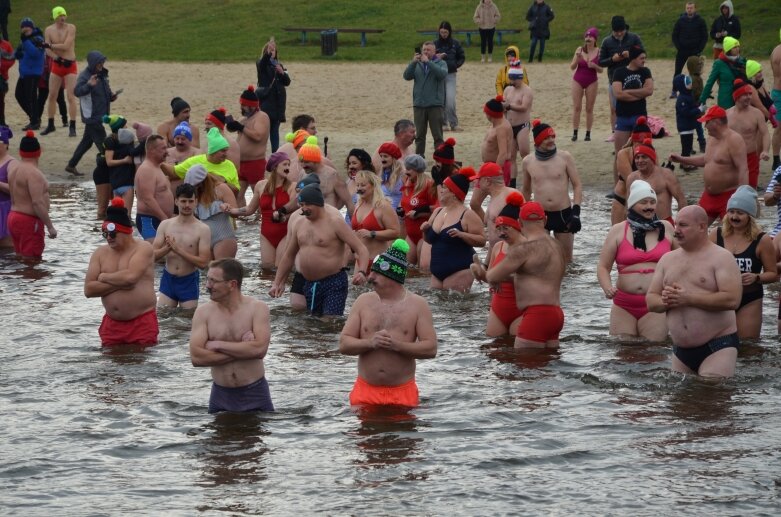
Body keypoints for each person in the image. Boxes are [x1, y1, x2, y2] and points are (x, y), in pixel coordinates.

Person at [339, 239, 437, 408]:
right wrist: (370, 343)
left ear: (393, 276)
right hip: (365, 391)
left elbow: (431, 348)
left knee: (403, 434)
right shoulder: (363, 302)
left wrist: (397, 346)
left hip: (402, 392)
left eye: (377, 273)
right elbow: (344, 344)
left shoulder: (418, 305)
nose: (370, 277)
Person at [647, 205, 742, 377]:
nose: (676, 230)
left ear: (702, 227)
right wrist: (667, 301)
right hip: (681, 351)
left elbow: (732, 300)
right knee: (682, 402)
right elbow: (651, 300)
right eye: (676, 225)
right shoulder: (667, 259)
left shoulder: (721, 257)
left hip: (718, 345)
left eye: (683, 225)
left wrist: (688, 299)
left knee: (710, 392)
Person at [270, 183, 370, 316]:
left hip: (334, 282)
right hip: (310, 283)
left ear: (318, 204)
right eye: (301, 204)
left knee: (329, 323)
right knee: (314, 325)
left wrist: (362, 272)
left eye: (307, 204)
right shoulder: (299, 224)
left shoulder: (335, 222)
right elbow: (288, 256)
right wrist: (277, 283)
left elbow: (361, 249)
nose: (304, 209)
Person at [189, 258, 273, 414]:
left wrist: (218, 345)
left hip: (255, 391)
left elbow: (260, 350)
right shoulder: (203, 312)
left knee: (257, 437)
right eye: (207, 279)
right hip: (221, 394)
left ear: (232, 284)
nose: (208, 286)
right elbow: (196, 358)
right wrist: (244, 350)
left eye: (214, 281)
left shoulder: (257, 308)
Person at [598, 180, 675, 341]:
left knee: (653, 352)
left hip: (655, 303)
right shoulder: (618, 230)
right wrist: (607, 287)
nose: (649, 206)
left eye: (652, 202)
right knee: (623, 352)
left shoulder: (666, 228)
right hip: (623, 304)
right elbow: (603, 266)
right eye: (644, 202)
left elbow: (683, 260)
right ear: (632, 204)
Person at [486, 201, 566, 348]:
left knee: (523, 365)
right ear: (545, 220)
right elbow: (537, 275)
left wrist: (482, 272)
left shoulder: (525, 249)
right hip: (556, 315)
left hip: (536, 315)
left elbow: (491, 276)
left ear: (519, 223)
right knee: (548, 367)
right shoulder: (557, 246)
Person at [84, 197, 158, 347]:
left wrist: (104, 277)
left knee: (141, 367)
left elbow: (131, 278)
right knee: (110, 368)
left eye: (112, 234)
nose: (108, 238)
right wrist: (121, 284)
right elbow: (89, 290)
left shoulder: (143, 248)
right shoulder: (100, 253)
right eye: (105, 234)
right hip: (111, 325)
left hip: (142, 322)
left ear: (126, 232)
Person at [709, 186, 777, 339]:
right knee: (717, 346)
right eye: (731, 212)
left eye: (740, 213)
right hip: (720, 299)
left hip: (750, 299)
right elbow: (701, 263)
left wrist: (756, 277)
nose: (734, 217)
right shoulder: (716, 235)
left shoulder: (762, 240)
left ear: (750, 216)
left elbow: (772, 274)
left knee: (748, 350)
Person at [670, 105, 748, 224]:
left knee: (732, 234)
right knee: (693, 228)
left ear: (716, 122)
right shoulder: (712, 139)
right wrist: (682, 159)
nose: (705, 126)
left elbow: (743, 169)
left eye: (707, 122)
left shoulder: (734, 140)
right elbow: (706, 160)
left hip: (728, 195)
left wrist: (742, 197)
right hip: (709, 195)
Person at [522, 119, 582, 263]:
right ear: (537, 141)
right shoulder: (528, 161)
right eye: (546, 138)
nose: (551, 140)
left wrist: (576, 212)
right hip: (539, 216)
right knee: (542, 259)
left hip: (563, 214)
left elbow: (577, 185)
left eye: (552, 137)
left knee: (566, 261)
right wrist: (523, 213)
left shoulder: (564, 157)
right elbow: (526, 189)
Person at [471, 191, 526, 337]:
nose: (501, 233)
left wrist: (498, 277)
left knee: (519, 354)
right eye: (498, 229)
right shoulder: (498, 247)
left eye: (506, 228)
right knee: (494, 350)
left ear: (518, 227)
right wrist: (478, 272)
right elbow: (489, 276)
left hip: (521, 309)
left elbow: (532, 280)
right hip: (497, 309)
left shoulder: (528, 248)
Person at [227, 151, 294, 269]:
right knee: (267, 268)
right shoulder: (261, 186)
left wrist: (285, 217)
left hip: (286, 232)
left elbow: (296, 211)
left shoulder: (292, 186)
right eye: (284, 164)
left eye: (289, 164)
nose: (287, 167)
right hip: (266, 234)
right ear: (274, 166)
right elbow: (250, 209)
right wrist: (232, 211)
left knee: (280, 267)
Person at [421, 169, 485, 292]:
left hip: (460, 269)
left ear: (454, 193)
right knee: (436, 306)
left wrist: (462, 234)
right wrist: (425, 231)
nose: (440, 190)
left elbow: (482, 240)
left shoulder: (468, 215)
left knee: (457, 309)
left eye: (444, 188)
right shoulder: (437, 211)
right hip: (437, 272)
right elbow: (429, 240)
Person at [153, 183, 211, 309]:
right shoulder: (165, 225)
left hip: (189, 280)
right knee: (164, 319)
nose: (187, 205)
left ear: (196, 202)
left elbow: (203, 263)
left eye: (190, 201)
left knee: (187, 321)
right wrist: (167, 249)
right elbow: (152, 256)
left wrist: (178, 250)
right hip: (168, 279)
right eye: (183, 201)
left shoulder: (203, 229)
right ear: (176, 201)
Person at [6, 130, 56, 259]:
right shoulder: (34, 173)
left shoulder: (13, 169)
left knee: (20, 257)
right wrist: (50, 226)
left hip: (13, 217)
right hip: (28, 221)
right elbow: (37, 202)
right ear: (39, 152)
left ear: (20, 152)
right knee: (32, 262)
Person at [65, 50, 114, 176]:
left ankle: (71, 165)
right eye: (99, 62)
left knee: (86, 142)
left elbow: (105, 90)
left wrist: (111, 96)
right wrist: (89, 85)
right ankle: (110, 168)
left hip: (100, 114)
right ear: (93, 63)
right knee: (103, 144)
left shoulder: (101, 73)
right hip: (92, 116)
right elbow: (77, 92)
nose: (101, 64)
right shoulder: (85, 76)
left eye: (102, 62)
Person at [599, 16, 643, 142]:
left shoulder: (634, 38)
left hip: (633, 79)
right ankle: (615, 132)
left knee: (634, 106)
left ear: (625, 28)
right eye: (616, 31)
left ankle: (634, 132)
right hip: (614, 79)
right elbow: (601, 62)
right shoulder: (606, 41)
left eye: (621, 31)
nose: (619, 33)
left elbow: (643, 54)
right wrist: (612, 59)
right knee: (614, 108)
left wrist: (630, 55)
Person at [625, 139, 687, 223]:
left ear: (652, 159)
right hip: (640, 224)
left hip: (664, 222)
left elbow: (681, 200)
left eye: (644, 157)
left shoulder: (666, 174)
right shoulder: (632, 177)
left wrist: (680, 222)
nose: (640, 161)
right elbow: (629, 206)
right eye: (637, 157)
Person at [162, 127, 240, 195]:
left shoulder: (230, 165)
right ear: (213, 151)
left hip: (224, 206)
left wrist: (223, 181)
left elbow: (236, 191)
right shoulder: (195, 161)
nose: (226, 154)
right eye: (223, 151)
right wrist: (159, 162)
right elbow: (173, 172)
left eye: (226, 150)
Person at [227, 85, 270, 206]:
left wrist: (241, 127)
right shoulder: (243, 119)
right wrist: (232, 126)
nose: (241, 108)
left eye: (244, 105)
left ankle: (260, 219)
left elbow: (258, 136)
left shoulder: (262, 117)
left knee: (259, 194)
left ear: (252, 106)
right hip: (241, 163)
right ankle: (245, 222)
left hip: (255, 163)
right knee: (239, 194)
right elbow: (240, 135)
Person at [403, 41, 447, 157]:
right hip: (419, 105)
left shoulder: (441, 63)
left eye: (428, 50)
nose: (426, 52)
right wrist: (413, 62)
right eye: (424, 50)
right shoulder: (417, 64)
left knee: (438, 136)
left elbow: (442, 75)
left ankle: (440, 158)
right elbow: (406, 76)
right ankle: (419, 158)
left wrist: (429, 63)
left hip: (435, 105)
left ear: (434, 52)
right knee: (419, 136)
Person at [183, 164, 237, 260]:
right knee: (207, 273)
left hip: (223, 237)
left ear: (204, 180)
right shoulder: (196, 194)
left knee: (222, 272)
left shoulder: (221, 188)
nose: (196, 188)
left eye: (197, 185)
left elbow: (236, 214)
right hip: (205, 239)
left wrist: (228, 208)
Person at [727, 79, 770, 189]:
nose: (749, 97)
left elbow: (765, 133)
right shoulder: (727, 114)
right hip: (731, 159)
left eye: (750, 94)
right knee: (731, 191)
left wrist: (765, 150)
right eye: (745, 94)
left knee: (750, 192)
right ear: (737, 96)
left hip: (750, 159)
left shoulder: (756, 114)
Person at [42, 6, 78, 137]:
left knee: (70, 96)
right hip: (57, 65)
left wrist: (50, 46)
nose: (62, 18)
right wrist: (56, 57)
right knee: (52, 95)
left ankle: (72, 126)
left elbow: (66, 46)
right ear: (54, 17)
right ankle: (51, 124)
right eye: (59, 16)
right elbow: (46, 50)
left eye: (63, 15)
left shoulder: (71, 28)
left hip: (70, 65)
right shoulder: (48, 30)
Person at [612, 45, 653, 157]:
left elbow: (649, 90)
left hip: (639, 116)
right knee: (620, 153)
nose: (644, 60)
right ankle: (618, 175)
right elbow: (618, 94)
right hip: (622, 116)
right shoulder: (619, 72)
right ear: (633, 58)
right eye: (641, 58)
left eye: (644, 58)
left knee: (641, 151)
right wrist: (640, 94)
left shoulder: (645, 71)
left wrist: (628, 92)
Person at [351, 170, 400, 263]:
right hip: (360, 261)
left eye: (363, 185)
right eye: (357, 185)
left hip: (379, 261)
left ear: (373, 186)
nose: (359, 188)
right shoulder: (358, 205)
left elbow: (396, 232)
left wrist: (372, 234)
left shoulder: (383, 206)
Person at [298, 135, 352, 213]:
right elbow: (297, 199)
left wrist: (335, 210)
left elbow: (348, 202)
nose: (303, 165)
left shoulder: (332, 175)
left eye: (306, 162)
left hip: (327, 220)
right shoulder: (302, 174)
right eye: (301, 162)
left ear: (315, 160)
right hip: (307, 221)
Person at [134, 134, 173, 241]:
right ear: (151, 150)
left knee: (165, 254)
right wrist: (164, 219)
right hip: (149, 220)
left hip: (160, 219)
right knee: (155, 254)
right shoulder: (146, 170)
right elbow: (147, 199)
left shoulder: (157, 167)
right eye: (163, 148)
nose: (167, 151)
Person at [399, 154, 436, 267]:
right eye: (406, 168)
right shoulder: (408, 183)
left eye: (409, 169)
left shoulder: (428, 185)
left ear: (417, 170)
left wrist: (419, 214)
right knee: (407, 272)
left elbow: (437, 210)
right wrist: (401, 210)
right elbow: (406, 204)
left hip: (423, 235)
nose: (406, 171)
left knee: (422, 272)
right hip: (411, 235)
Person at [470, 161, 517, 250]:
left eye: (479, 180)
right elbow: (493, 237)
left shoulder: (510, 197)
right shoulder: (495, 198)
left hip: (508, 254)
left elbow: (521, 231)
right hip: (497, 253)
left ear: (487, 181)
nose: (477, 183)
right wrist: (487, 263)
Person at [256, 37, 290, 152]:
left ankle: (275, 155)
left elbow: (287, 82)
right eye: (270, 50)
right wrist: (268, 53)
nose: (272, 52)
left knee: (275, 132)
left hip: (278, 103)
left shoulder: (279, 65)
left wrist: (282, 72)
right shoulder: (262, 64)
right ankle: (260, 153)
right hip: (266, 102)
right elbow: (262, 65)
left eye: (274, 50)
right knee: (264, 131)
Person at [502, 66, 533, 187]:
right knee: (511, 157)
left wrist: (509, 106)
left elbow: (524, 107)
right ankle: (512, 184)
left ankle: (529, 179)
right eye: (510, 79)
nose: (512, 82)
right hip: (510, 126)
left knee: (525, 154)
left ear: (520, 78)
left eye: (514, 79)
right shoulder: (508, 90)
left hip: (522, 125)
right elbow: (504, 107)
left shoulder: (527, 91)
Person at [570, 27, 602, 142]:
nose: (588, 38)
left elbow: (601, 70)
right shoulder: (579, 49)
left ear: (595, 39)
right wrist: (578, 59)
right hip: (578, 79)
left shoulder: (599, 51)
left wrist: (594, 66)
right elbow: (572, 67)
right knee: (577, 107)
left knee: (589, 108)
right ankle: (575, 132)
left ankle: (588, 133)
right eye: (586, 36)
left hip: (592, 81)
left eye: (590, 36)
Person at [670, 2, 708, 99]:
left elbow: (704, 36)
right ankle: (674, 90)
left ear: (695, 9)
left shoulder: (700, 21)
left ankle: (697, 90)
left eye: (691, 8)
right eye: (687, 8)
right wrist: (679, 47)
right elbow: (674, 35)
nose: (689, 9)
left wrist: (700, 49)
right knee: (677, 71)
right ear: (685, 9)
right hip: (682, 50)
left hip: (695, 51)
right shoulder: (680, 21)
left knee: (696, 72)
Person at [435, 21, 465, 132]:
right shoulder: (435, 44)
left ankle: (454, 123)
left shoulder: (455, 43)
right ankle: (443, 123)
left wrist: (456, 65)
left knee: (450, 100)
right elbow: (429, 58)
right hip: (439, 75)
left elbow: (461, 56)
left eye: (445, 32)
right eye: (441, 32)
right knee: (441, 100)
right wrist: (436, 58)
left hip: (451, 74)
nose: (443, 34)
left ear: (449, 32)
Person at [14, 18, 44, 131]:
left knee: (31, 98)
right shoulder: (24, 40)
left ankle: (35, 121)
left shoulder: (38, 39)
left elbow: (35, 53)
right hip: (24, 73)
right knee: (19, 95)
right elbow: (18, 54)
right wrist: (17, 53)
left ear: (32, 28)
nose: (25, 30)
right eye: (23, 28)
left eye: (27, 28)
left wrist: (25, 41)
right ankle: (34, 117)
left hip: (33, 73)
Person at [700, 36, 745, 109]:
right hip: (726, 99)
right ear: (728, 49)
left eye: (738, 46)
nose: (737, 49)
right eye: (734, 47)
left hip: (741, 96)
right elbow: (710, 82)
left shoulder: (742, 61)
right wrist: (702, 99)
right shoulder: (719, 63)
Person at [673, 73, 703, 167]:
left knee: (689, 145)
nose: (690, 83)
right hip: (684, 126)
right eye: (688, 82)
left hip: (689, 126)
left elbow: (692, 107)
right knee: (686, 147)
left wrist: (699, 106)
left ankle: (685, 162)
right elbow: (686, 112)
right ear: (682, 85)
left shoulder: (688, 95)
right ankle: (684, 164)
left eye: (690, 81)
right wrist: (699, 109)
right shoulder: (681, 98)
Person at [376, 141, 405, 212]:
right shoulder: (380, 174)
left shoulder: (403, 174)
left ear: (394, 158)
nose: (382, 159)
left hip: (398, 213)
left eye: (385, 156)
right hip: (382, 213)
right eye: (381, 156)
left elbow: (408, 194)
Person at [0, 125, 14, 249]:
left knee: (7, 249)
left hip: (5, 209)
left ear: (5, 144)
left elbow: (15, 190)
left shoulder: (12, 163)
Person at [771, 37, 781, 172]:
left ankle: (776, 159)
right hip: (780, 92)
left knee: (778, 128)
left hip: (776, 90)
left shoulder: (774, 51)